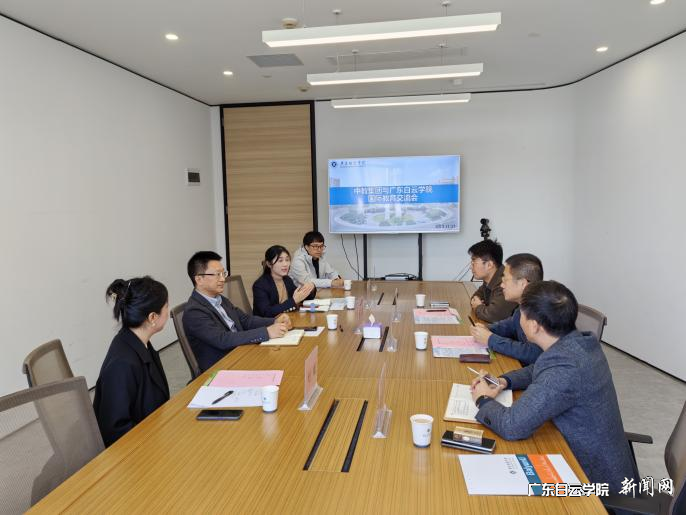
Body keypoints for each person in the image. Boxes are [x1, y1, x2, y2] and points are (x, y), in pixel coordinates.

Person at [470, 281, 636, 493]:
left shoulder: (566, 367)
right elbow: (540, 368)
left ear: (534, 325)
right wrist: (504, 381)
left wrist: (482, 399)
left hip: (595, 483)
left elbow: (512, 425)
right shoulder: (579, 343)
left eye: (521, 315)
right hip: (593, 459)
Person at [93, 276, 171, 447]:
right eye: (166, 306)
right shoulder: (122, 364)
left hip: (154, 433)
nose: (168, 312)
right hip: (136, 451)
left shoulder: (138, 342)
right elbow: (115, 431)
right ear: (152, 317)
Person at [183, 251, 291, 372]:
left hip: (241, 352)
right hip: (223, 367)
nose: (223, 279)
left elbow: (245, 320)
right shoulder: (194, 311)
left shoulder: (220, 299)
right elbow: (223, 339)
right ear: (199, 279)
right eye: (217, 274)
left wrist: (274, 321)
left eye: (223, 273)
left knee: (286, 360)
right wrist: (266, 332)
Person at [471, 253, 544, 365]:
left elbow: (533, 353)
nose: (502, 285)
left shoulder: (542, 311)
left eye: (505, 280)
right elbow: (509, 326)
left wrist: (490, 339)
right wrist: (486, 329)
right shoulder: (522, 307)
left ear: (522, 283)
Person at [253, 245, 316, 317]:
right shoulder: (260, 285)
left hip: (287, 319)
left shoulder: (287, 279)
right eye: (280, 261)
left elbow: (299, 298)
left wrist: (311, 289)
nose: (285, 264)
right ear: (269, 264)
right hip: (270, 323)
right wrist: (294, 301)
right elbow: (267, 312)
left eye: (287, 260)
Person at [468, 239, 518, 323]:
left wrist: (478, 307)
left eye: (474, 262)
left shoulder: (505, 282)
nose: (471, 267)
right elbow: (475, 297)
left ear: (489, 265)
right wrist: (481, 306)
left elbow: (494, 316)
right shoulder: (490, 279)